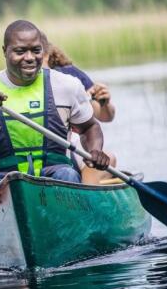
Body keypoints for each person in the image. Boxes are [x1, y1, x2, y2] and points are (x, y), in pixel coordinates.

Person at [0, 20, 110, 201]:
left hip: (55, 175)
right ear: (4, 51)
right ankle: (4, 220)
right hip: (6, 180)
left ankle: (61, 218)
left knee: (68, 175)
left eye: (36, 50)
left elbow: (89, 127)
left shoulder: (66, 84)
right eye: (20, 51)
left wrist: (95, 150)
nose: (30, 57)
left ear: (43, 51)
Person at [40, 32, 118, 184]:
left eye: (37, 52)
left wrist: (103, 103)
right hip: (45, 146)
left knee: (108, 158)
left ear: (47, 54)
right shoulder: (18, 82)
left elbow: (105, 116)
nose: (31, 59)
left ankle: (86, 197)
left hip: (74, 140)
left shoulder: (70, 76)